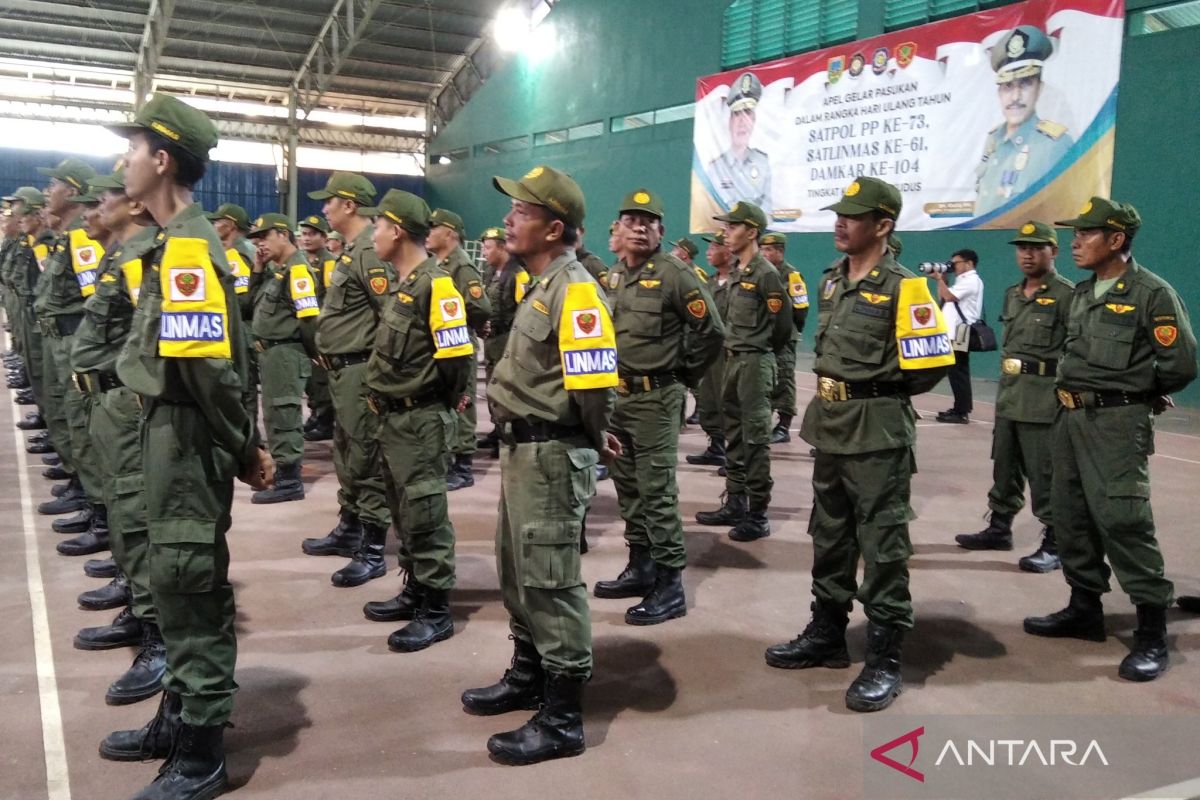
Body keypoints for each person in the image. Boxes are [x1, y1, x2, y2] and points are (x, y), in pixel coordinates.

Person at [103, 92, 273, 799]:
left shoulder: (191, 250)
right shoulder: (173, 244)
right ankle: (177, 717)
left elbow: (212, 370)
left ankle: (202, 753)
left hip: (189, 437)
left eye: (133, 149)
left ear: (162, 159)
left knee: (191, 586)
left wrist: (244, 448)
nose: (123, 160)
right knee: (173, 586)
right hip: (166, 430)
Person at [766, 177, 954, 713]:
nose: (840, 223)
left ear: (884, 225)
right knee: (830, 533)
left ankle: (885, 656)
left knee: (882, 542)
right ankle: (826, 632)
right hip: (830, 423)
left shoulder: (905, 286)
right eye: (838, 214)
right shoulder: (830, 282)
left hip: (877, 430)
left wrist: (878, 390)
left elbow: (932, 364)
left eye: (852, 216)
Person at [461, 165, 618, 766]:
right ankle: (528, 672)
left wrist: (592, 439)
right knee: (518, 570)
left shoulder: (575, 290)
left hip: (552, 452)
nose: (508, 219)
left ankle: (562, 715)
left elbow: (594, 385)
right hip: (523, 449)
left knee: (551, 580)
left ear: (554, 228)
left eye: (521, 212)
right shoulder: (541, 283)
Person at [1024, 197, 1197, 682]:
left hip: (1117, 426)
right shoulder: (1082, 292)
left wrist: (1140, 394)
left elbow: (1181, 364)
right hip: (1070, 419)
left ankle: (1151, 631)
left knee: (1124, 519)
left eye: (1086, 233)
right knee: (1070, 514)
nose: (1074, 241)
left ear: (1117, 239)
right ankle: (1084, 609)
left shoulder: (1151, 293)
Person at [593, 189, 723, 625]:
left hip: (655, 400)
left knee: (657, 492)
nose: (640, 227)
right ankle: (641, 565)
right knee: (627, 486)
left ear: (660, 231)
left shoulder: (676, 275)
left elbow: (711, 331)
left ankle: (670, 585)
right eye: (631, 220)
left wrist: (683, 374)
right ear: (619, 228)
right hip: (619, 398)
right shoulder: (613, 277)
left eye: (648, 222)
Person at [68, 165, 167, 705]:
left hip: (128, 403)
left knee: (135, 512)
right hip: (107, 400)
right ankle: (137, 600)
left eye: (104, 199)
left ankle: (158, 637)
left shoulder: (145, 258)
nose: (95, 208)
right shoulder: (119, 256)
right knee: (120, 506)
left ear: (133, 205)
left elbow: (148, 338)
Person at [360, 190, 474, 652]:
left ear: (399, 230)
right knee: (405, 512)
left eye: (379, 226)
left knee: (426, 515)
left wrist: (443, 402)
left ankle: (436, 609)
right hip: (394, 421)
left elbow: (456, 359)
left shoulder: (436, 284)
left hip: (421, 418)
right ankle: (414, 588)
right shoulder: (403, 282)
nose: (374, 234)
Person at [956, 221, 1073, 571]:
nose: (1028, 254)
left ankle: (1057, 543)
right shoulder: (1012, 293)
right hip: (1010, 396)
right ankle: (999, 528)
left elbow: (1075, 348)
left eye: (1037, 247)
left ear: (1054, 251)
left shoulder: (1068, 295)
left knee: (1044, 473)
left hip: (1043, 399)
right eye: (1022, 247)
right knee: (1004, 466)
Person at [299, 172, 395, 590]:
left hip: (361, 370)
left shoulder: (369, 254)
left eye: (330, 202)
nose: (324, 209)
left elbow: (391, 316)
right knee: (345, 452)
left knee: (366, 457)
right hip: (341, 370)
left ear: (350, 205)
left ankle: (372, 548)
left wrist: (380, 375)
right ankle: (350, 525)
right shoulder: (350, 253)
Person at [695, 201, 791, 542]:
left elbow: (782, 327)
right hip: (731, 361)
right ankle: (735, 501)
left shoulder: (767, 275)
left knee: (754, 439)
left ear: (751, 232)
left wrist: (758, 352)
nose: (725, 232)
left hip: (753, 362)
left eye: (732, 227)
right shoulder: (736, 273)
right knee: (733, 433)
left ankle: (758, 513)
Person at [36, 158, 109, 544]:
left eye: (54, 184)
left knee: (81, 424)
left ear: (74, 191)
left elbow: (92, 301)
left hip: (75, 341)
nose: (49, 192)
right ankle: (84, 489)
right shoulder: (70, 238)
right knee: (69, 418)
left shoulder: (82, 241)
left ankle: (99, 513)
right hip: (62, 340)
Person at [245, 213, 321, 504]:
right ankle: (284, 474)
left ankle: (290, 480)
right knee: (274, 414)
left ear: (282, 234)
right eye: (255, 240)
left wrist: (313, 355)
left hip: (286, 351)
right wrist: (257, 269)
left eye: (264, 237)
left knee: (284, 413)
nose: (259, 244)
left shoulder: (298, 270)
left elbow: (308, 318)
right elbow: (249, 306)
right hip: (272, 352)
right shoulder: (278, 270)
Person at [975, 25, 1074, 216]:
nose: (1015, 96)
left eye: (1025, 84)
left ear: (1039, 88)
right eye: (1008, 87)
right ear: (999, 93)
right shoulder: (993, 141)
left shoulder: (1055, 145)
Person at [427, 208, 491, 491]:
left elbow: (480, 306)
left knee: (463, 403)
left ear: (450, 233)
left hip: (459, 342)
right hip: (443, 343)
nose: (428, 233)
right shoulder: (437, 263)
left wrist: (473, 325)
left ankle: (463, 466)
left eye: (434, 228)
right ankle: (450, 457)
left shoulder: (461, 266)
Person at [206, 203, 260, 434]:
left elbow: (242, 300)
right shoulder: (236, 251)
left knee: (243, 390)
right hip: (240, 329)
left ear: (229, 225)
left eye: (217, 221)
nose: (213, 226)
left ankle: (246, 439)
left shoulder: (237, 255)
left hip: (241, 331)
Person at [476, 226, 527, 459]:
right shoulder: (489, 273)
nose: (484, 253)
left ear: (503, 247)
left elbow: (523, 313)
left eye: (488, 248)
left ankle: (508, 437)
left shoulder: (518, 275)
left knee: (506, 393)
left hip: (508, 342)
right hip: (492, 342)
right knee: (492, 390)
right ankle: (497, 431)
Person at [686, 231, 736, 467]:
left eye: (714, 246)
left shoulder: (741, 280)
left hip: (732, 355)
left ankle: (736, 457)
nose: (708, 251)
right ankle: (716, 447)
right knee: (709, 401)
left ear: (728, 250)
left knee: (731, 405)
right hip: (711, 354)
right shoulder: (710, 283)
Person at [759, 232, 809, 443]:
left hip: (785, 338)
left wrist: (790, 330)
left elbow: (801, 307)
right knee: (768, 379)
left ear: (780, 251)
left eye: (769, 250)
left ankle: (784, 426)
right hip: (766, 337)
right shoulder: (762, 274)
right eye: (762, 250)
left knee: (785, 378)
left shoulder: (791, 275)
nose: (764, 254)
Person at [707, 72, 772, 215]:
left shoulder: (763, 163)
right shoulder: (714, 169)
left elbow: (768, 214)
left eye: (747, 113)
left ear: (753, 120)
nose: (743, 122)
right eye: (737, 114)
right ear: (730, 122)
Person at [298, 213, 336, 442]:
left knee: (322, 377)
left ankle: (325, 419)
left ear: (324, 237)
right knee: (311, 378)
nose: (306, 238)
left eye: (312, 234)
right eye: (303, 234)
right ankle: (316, 413)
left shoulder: (328, 261)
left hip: (322, 327)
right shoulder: (302, 259)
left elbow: (331, 298)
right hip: (307, 325)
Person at [933, 249, 983, 424]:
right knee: (956, 371)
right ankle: (960, 408)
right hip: (954, 332)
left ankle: (961, 411)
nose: (952, 266)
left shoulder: (971, 281)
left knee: (958, 372)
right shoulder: (962, 281)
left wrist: (940, 279)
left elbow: (948, 296)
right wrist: (943, 280)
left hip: (960, 333)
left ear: (968, 264)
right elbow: (944, 296)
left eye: (956, 263)